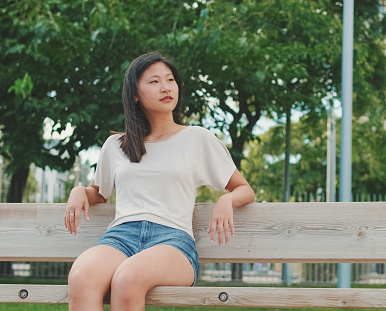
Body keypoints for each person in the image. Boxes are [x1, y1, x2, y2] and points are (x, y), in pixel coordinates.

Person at [64, 52, 255, 310]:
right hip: (121, 236)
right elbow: (99, 192)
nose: (166, 87)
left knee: (127, 277)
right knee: (80, 277)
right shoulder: (115, 145)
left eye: (170, 80)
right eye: (154, 82)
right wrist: (80, 191)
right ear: (134, 94)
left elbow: (244, 189)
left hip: (172, 241)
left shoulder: (198, 138)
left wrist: (227, 199)